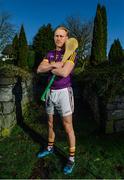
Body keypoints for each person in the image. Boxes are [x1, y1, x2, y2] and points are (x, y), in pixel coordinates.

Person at [37, 26, 77, 175]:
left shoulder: (71, 54)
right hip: (50, 92)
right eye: (56, 36)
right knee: (50, 122)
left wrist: (51, 67)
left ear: (67, 38)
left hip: (64, 93)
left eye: (61, 36)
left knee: (67, 126)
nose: (58, 38)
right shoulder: (50, 53)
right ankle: (50, 147)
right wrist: (55, 65)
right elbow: (39, 69)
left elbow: (65, 72)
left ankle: (71, 158)